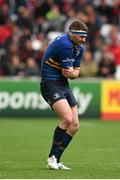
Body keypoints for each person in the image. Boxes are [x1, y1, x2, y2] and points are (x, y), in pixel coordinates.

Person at [40, 20, 88, 170]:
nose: (84, 40)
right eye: (81, 37)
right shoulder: (65, 45)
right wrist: (73, 74)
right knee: (67, 118)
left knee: (74, 125)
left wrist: (74, 73)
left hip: (62, 84)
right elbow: (71, 74)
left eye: (85, 37)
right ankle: (52, 158)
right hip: (50, 83)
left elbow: (76, 71)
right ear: (72, 33)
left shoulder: (79, 47)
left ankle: (57, 160)